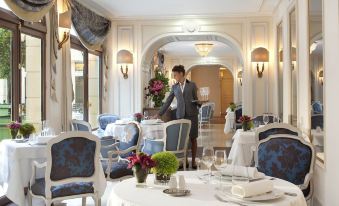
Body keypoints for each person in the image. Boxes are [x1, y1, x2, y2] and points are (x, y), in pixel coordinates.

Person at [154, 65, 200, 169]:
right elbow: (168, 101)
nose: (174, 77)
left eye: (175, 74)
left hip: (192, 115)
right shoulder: (174, 87)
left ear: (181, 74)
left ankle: (193, 161)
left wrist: (200, 103)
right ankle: (184, 161)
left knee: (193, 139)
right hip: (181, 116)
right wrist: (159, 113)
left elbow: (196, 99)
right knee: (183, 140)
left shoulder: (192, 85)